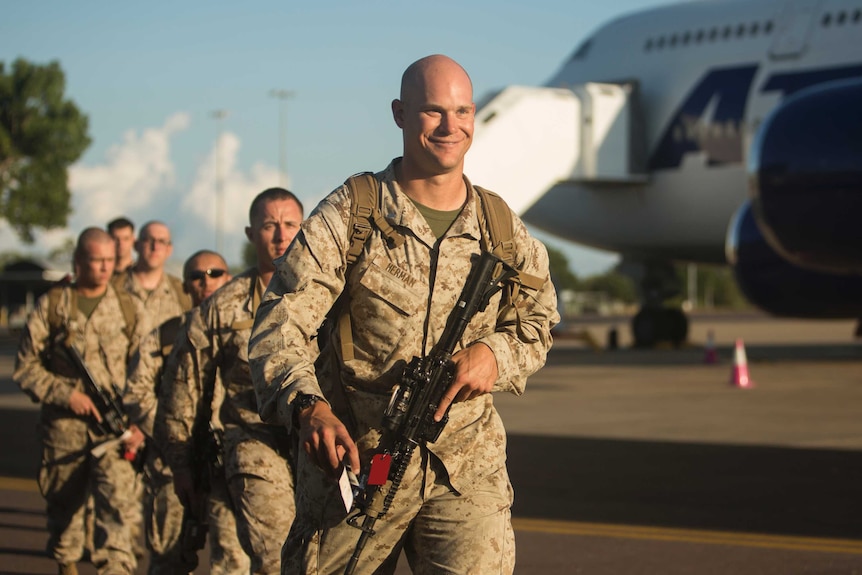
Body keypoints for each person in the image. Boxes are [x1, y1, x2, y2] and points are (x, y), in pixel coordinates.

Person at [248, 54, 558, 574]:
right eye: (433, 111)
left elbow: (538, 320)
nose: (450, 126)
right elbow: (281, 323)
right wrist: (308, 408)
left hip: (463, 467)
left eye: (462, 111)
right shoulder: (354, 214)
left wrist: (494, 355)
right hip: (358, 466)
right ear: (399, 114)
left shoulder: (499, 228)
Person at [161, 188, 304, 574]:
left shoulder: (330, 295)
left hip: (315, 443)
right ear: (250, 233)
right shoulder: (221, 306)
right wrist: (181, 464)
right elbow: (184, 391)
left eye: (290, 224)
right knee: (275, 557)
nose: (280, 234)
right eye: (269, 225)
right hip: (253, 439)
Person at [14, 227, 145, 575]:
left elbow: (144, 370)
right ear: (78, 260)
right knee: (65, 511)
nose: (103, 268)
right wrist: (66, 395)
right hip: (65, 430)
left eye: (108, 260)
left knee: (117, 509)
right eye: (95, 260)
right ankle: (67, 564)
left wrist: (138, 421)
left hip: (113, 430)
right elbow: (25, 368)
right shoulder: (54, 305)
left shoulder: (127, 307)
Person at [125, 250, 250, 574]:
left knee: (232, 559)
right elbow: (137, 393)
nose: (205, 282)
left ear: (228, 279)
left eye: (215, 273)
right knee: (169, 559)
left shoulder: (244, 331)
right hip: (173, 464)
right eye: (196, 276)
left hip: (224, 463)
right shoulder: (165, 335)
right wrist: (172, 436)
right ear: (185, 286)